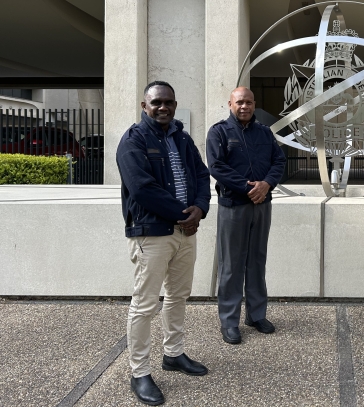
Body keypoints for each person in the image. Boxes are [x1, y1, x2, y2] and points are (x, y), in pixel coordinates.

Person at [116, 81, 212, 406]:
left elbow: (201, 175)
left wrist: (199, 209)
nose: (163, 108)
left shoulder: (182, 139)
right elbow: (141, 188)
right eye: (156, 102)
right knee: (145, 305)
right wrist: (183, 214)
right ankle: (139, 372)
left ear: (174, 104)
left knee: (178, 296)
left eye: (168, 102)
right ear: (144, 105)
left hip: (186, 232)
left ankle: (173, 354)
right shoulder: (133, 141)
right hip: (153, 234)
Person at [206, 87, 286, 345]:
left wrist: (266, 184)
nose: (244, 106)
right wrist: (248, 187)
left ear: (254, 104)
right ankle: (229, 322)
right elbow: (216, 166)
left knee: (257, 261)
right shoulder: (219, 132)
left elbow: (279, 162)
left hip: (262, 204)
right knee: (231, 265)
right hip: (234, 205)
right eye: (239, 102)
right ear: (230, 103)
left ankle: (256, 315)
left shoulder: (264, 132)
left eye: (249, 102)